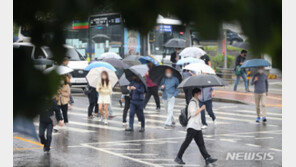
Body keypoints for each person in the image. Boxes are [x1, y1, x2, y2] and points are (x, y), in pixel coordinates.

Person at [175, 88, 217, 165]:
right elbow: (193, 113)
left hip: (197, 126)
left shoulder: (197, 102)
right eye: (199, 93)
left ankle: (207, 158)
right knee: (186, 143)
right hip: (192, 127)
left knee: (201, 144)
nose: (200, 95)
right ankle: (178, 157)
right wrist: (201, 109)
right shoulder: (192, 102)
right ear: (196, 94)